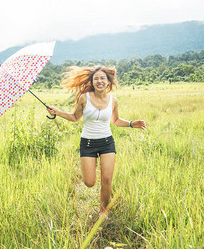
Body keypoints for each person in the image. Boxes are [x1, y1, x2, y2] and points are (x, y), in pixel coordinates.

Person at [46, 65, 146, 215]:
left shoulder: (113, 100)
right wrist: (57, 112)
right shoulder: (84, 98)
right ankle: (95, 186)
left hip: (107, 143)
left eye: (102, 78)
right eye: (96, 79)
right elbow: (75, 117)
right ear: (92, 82)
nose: (99, 81)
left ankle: (103, 212)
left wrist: (131, 124)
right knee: (89, 182)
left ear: (108, 81)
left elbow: (116, 120)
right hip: (88, 143)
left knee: (107, 179)